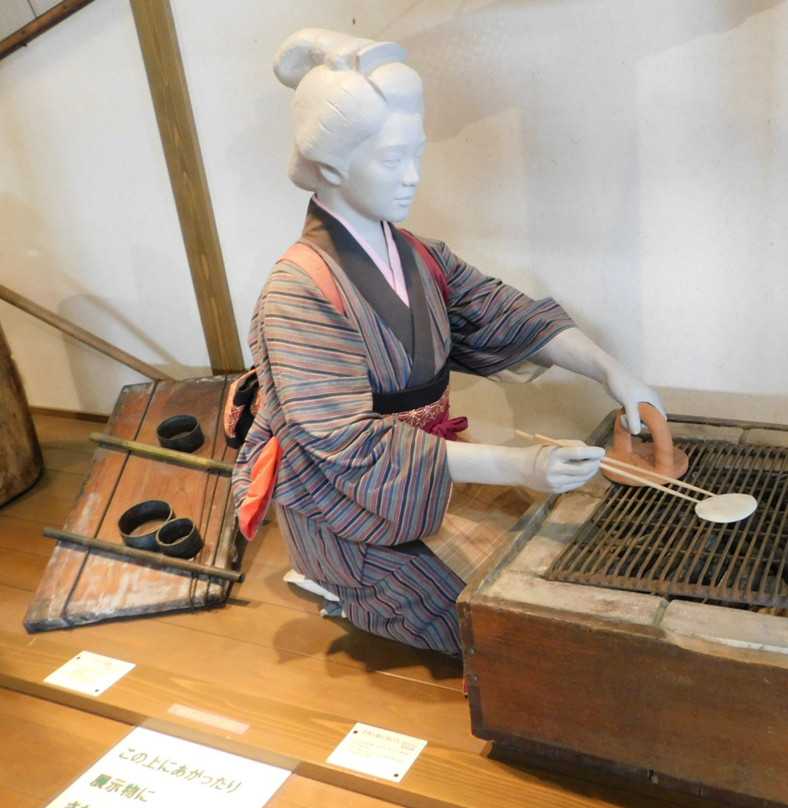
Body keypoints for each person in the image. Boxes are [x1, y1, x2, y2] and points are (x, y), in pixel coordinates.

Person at [231, 28, 665, 656]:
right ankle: (341, 586)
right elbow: (352, 447)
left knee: (566, 560)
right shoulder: (297, 294)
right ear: (329, 164)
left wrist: (609, 369)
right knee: (513, 630)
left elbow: (500, 313)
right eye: (390, 160)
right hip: (353, 514)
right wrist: (519, 464)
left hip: (427, 476)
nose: (411, 178)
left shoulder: (420, 256)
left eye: (417, 154)